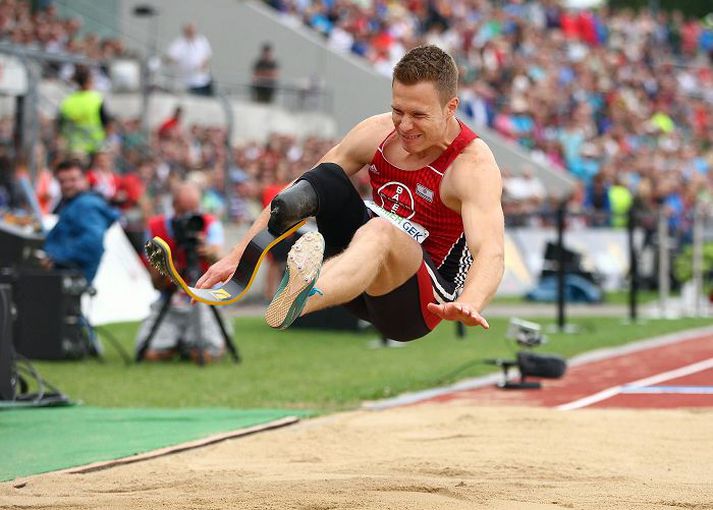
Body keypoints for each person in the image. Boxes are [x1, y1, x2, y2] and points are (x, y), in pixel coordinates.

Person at [197, 45, 504, 342]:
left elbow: (491, 251)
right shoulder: (378, 132)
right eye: (398, 110)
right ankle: (289, 283)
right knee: (325, 177)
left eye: (418, 115)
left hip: (415, 306)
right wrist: (238, 255)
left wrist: (471, 302)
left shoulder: (471, 165)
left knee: (383, 231)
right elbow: (302, 189)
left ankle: (301, 299)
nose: (405, 125)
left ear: (451, 108)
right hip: (356, 276)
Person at [135, 181, 229, 363]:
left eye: (194, 210)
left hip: (203, 298)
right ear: (173, 206)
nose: (189, 218)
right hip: (170, 300)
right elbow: (155, 283)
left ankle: (195, 341)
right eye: (184, 211)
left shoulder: (209, 224)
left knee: (208, 354)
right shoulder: (156, 228)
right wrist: (170, 268)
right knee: (149, 354)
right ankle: (182, 341)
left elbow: (223, 261)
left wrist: (208, 251)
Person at [41, 160, 119, 284]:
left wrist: (55, 256)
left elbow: (93, 243)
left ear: (85, 179)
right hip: (67, 279)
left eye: (73, 180)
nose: (67, 185)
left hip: (71, 281)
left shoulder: (85, 205)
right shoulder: (74, 203)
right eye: (62, 181)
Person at [58, 66, 111, 157]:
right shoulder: (96, 99)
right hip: (95, 146)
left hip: (74, 147)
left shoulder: (68, 101)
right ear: (88, 82)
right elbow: (106, 123)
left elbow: (61, 126)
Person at [166, 23, 213, 96]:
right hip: (184, 81)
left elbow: (206, 57)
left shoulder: (202, 41)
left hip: (200, 81)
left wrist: (202, 65)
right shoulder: (179, 43)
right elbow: (171, 58)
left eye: (193, 32)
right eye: (189, 32)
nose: (192, 34)